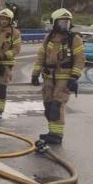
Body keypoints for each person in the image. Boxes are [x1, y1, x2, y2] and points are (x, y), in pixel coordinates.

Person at [30, 8, 85, 145]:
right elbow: (40, 57)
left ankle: (57, 135)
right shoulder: (49, 38)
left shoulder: (74, 39)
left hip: (64, 78)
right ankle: (51, 132)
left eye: (67, 22)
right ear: (54, 23)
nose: (64, 25)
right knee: (48, 105)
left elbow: (80, 59)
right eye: (61, 22)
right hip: (48, 77)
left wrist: (74, 76)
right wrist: (35, 74)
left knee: (57, 105)